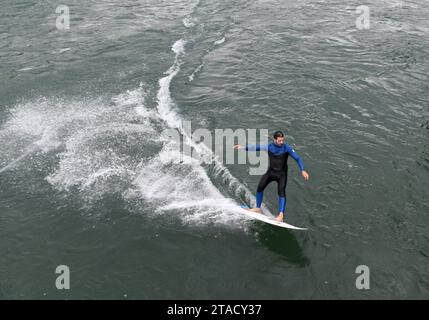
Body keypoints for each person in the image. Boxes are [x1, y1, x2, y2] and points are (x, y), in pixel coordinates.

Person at [233, 131, 309, 221]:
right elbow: (256, 147)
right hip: (271, 172)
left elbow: (297, 158)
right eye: (280, 140)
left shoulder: (286, 148)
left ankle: (281, 215)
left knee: (281, 192)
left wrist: (302, 170)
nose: (282, 142)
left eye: (283, 140)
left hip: (281, 174)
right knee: (260, 187)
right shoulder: (269, 146)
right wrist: (242, 147)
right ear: (275, 140)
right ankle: (257, 208)